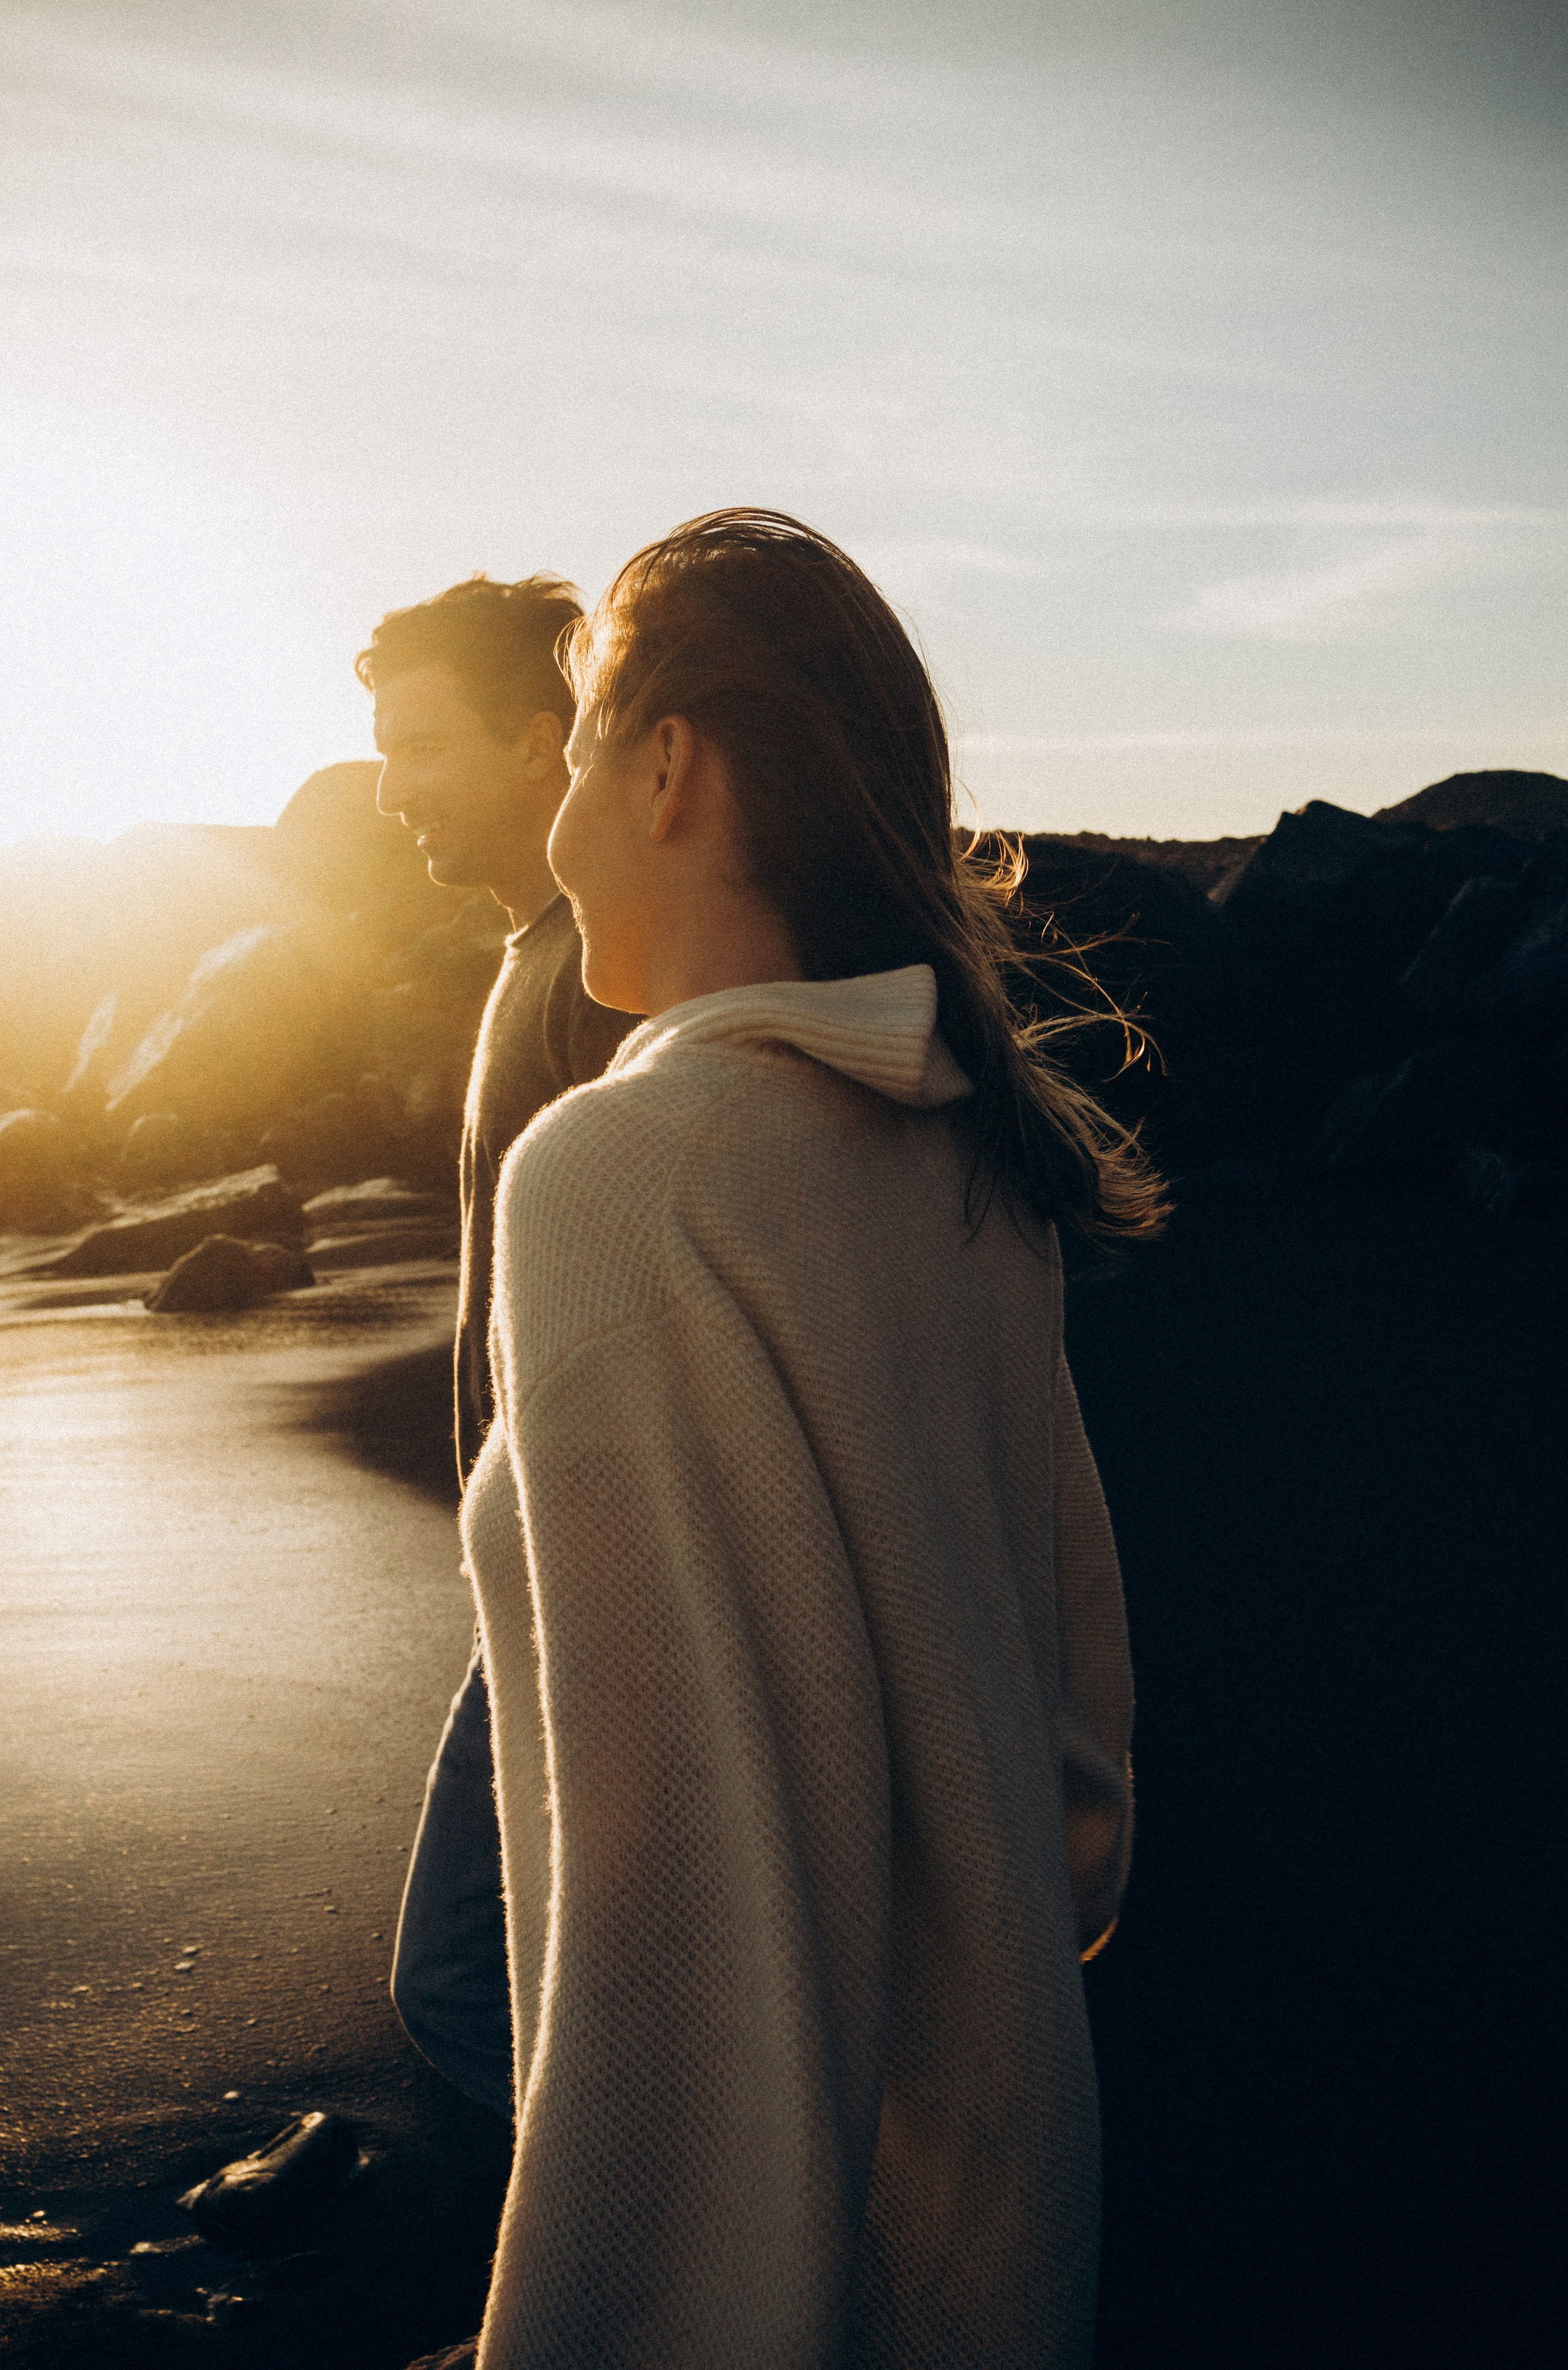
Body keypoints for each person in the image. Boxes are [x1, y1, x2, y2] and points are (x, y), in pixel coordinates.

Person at [456, 510, 1166, 2366]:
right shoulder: (969, 1147)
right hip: (1002, 2179)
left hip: (779, 2256)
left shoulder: (625, 1176)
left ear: (668, 768)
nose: (555, 807)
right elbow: (1082, 1750)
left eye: (584, 733)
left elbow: (671, 1915)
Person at [355, 575, 636, 2113]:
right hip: (540, 1563)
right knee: (537, 1971)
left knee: (468, 1979)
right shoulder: (537, 953)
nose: (391, 792)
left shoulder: (599, 973)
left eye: (423, 750)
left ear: (542, 746)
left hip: (591, 1571)